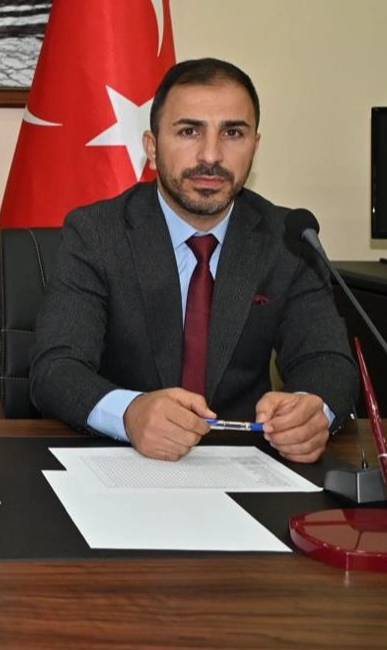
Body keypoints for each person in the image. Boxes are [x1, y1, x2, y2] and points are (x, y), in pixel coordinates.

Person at [29, 58, 360, 464]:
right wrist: (129, 412)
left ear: (255, 146)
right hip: (123, 461)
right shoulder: (97, 233)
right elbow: (56, 368)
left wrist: (312, 411)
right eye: (189, 131)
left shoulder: (288, 239)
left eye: (233, 133)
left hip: (244, 463)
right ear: (152, 147)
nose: (211, 155)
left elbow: (328, 361)